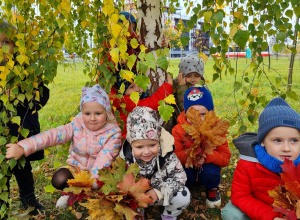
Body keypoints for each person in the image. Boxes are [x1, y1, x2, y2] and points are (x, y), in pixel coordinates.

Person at [5, 84, 122, 209]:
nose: (92, 118)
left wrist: (91, 184)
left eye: (98, 113)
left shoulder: (113, 133)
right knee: (59, 179)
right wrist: (23, 147)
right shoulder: (77, 124)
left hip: (101, 175)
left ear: (107, 112)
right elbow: (52, 136)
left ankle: (87, 195)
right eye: (87, 113)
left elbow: (104, 160)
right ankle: (71, 192)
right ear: (82, 112)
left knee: (103, 196)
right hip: (76, 168)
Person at [0, 18, 49, 216]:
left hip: (20, 136)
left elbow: (42, 95)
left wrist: (24, 90)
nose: (1, 48)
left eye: (6, 42)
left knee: (22, 168)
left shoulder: (25, 71)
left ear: (16, 45)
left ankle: (28, 197)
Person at [222, 97, 300, 220]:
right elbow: (240, 196)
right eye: (277, 140)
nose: (286, 148)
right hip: (261, 210)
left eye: (294, 140)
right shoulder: (248, 163)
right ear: (262, 141)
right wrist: (271, 217)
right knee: (231, 213)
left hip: (293, 214)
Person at [120, 106, 190, 220]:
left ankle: (169, 215)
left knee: (183, 196)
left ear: (158, 139)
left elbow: (180, 177)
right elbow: (118, 181)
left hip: (160, 195)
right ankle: (137, 212)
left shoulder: (166, 154)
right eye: (139, 147)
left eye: (152, 145)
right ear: (131, 144)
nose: (146, 151)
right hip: (135, 197)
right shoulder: (125, 158)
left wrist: (159, 192)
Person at [172, 86, 231, 208]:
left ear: (211, 114)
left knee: (211, 173)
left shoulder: (216, 129)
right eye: (192, 114)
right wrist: (192, 156)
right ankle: (185, 191)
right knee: (183, 175)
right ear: (185, 112)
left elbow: (225, 158)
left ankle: (212, 188)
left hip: (207, 166)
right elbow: (176, 155)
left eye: (203, 114)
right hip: (188, 166)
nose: (198, 118)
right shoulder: (178, 130)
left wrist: (208, 156)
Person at [112, 73, 173, 140]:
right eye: (132, 87)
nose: (138, 89)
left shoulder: (131, 98)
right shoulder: (126, 101)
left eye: (139, 85)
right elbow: (151, 104)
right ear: (122, 91)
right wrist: (168, 86)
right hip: (129, 140)